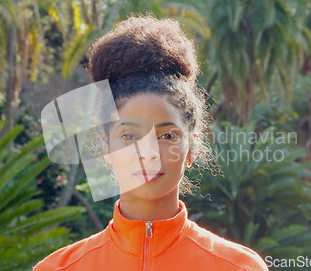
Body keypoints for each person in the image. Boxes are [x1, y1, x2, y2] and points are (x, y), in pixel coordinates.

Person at [33, 15, 269, 271]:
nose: (148, 153)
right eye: (129, 136)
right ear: (105, 148)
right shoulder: (58, 268)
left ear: (192, 147)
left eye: (167, 136)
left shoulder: (239, 267)